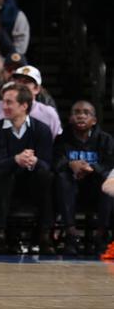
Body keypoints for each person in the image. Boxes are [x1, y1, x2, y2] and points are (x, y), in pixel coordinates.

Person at [0, 84, 55, 254]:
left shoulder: (41, 130)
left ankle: (44, 235)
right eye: (4, 102)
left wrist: (35, 161)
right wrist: (16, 160)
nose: (4, 106)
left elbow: (48, 163)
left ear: (24, 105)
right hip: (6, 182)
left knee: (45, 175)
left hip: (32, 183)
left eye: (9, 102)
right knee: (2, 175)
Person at [54, 101, 114, 255]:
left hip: (96, 191)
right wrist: (70, 164)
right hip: (70, 190)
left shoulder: (106, 140)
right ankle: (71, 234)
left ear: (94, 120)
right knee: (62, 177)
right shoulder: (61, 139)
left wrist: (92, 168)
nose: (81, 116)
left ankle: (101, 235)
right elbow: (55, 163)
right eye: (77, 112)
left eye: (86, 113)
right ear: (70, 119)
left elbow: (110, 167)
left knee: (109, 181)